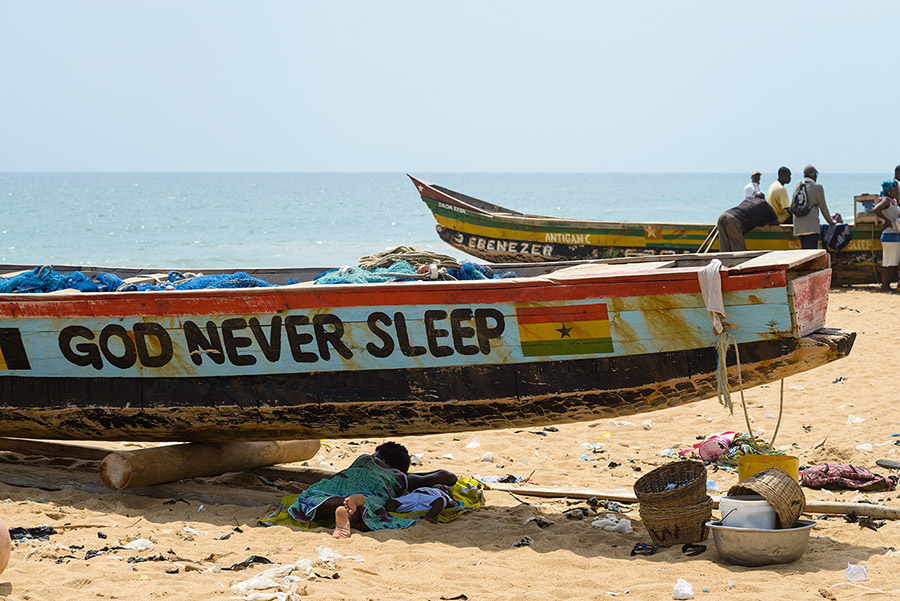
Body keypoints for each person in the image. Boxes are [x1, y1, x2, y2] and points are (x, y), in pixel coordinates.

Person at [280, 441, 456, 539]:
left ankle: (338, 502)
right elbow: (449, 477)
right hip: (376, 489)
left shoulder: (366, 459)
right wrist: (407, 474)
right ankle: (353, 508)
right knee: (369, 510)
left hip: (345, 480)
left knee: (310, 499)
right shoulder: (400, 477)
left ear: (382, 456)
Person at [716, 196, 781, 252]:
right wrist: (765, 223)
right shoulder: (764, 204)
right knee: (738, 251)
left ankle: (723, 265)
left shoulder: (748, 199)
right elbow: (777, 222)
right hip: (734, 220)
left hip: (723, 216)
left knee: (724, 248)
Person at [792, 164, 835, 249]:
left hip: (798, 226)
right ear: (814, 175)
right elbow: (823, 207)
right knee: (810, 253)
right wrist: (831, 221)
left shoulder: (798, 185)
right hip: (811, 226)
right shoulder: (818, 187)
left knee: (804, 251)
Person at [873, 179, 900, 291]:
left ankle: (887, 285)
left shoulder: (892, 202)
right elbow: (876, 209)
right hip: (889, 234)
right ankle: (884, 286)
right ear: (889, 190)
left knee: (893, 262)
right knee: (888, 262)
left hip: (894, 234)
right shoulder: (886, 201)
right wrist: (887, 220)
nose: (897, 191)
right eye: (895, 189)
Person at [385, 483, 459, 523]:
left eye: (443, 486)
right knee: (393, 501)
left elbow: (451, 503)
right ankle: (389, 514)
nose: (440, 485)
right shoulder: (428, 488)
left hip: (428, 499)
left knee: (441, 500)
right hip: (414, 496)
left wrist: (450, 502)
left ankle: (430, 515)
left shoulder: (443, 493)